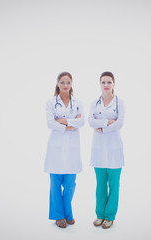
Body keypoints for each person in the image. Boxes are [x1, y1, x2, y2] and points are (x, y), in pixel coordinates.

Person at [44, 72, 84, 228]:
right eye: (62, 82)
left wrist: (63, 121)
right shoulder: (50, 103)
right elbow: (50, 123)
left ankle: (68, 212)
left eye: (68, 82)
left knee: (70, 184)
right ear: (57, 84)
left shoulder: (78, 102)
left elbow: (82, 122)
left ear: (71, 84)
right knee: (55, 184)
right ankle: (59, 216)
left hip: (72, 149)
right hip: (56, 148)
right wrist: (71, 124)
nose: (65, 85)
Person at [88, 71, 125, 229]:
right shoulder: (94, 103)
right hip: (98, 150)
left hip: (114, 150)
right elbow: (90, 121)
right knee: (101, 185)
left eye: (109, 82)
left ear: (114, 84)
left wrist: (101, 127)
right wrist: (108, 121)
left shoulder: (119, 102)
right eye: (103, 82)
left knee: (114, 185)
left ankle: (109, 216)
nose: (106, 85)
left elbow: (120, 123)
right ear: (100, 84)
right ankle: (100, 215)